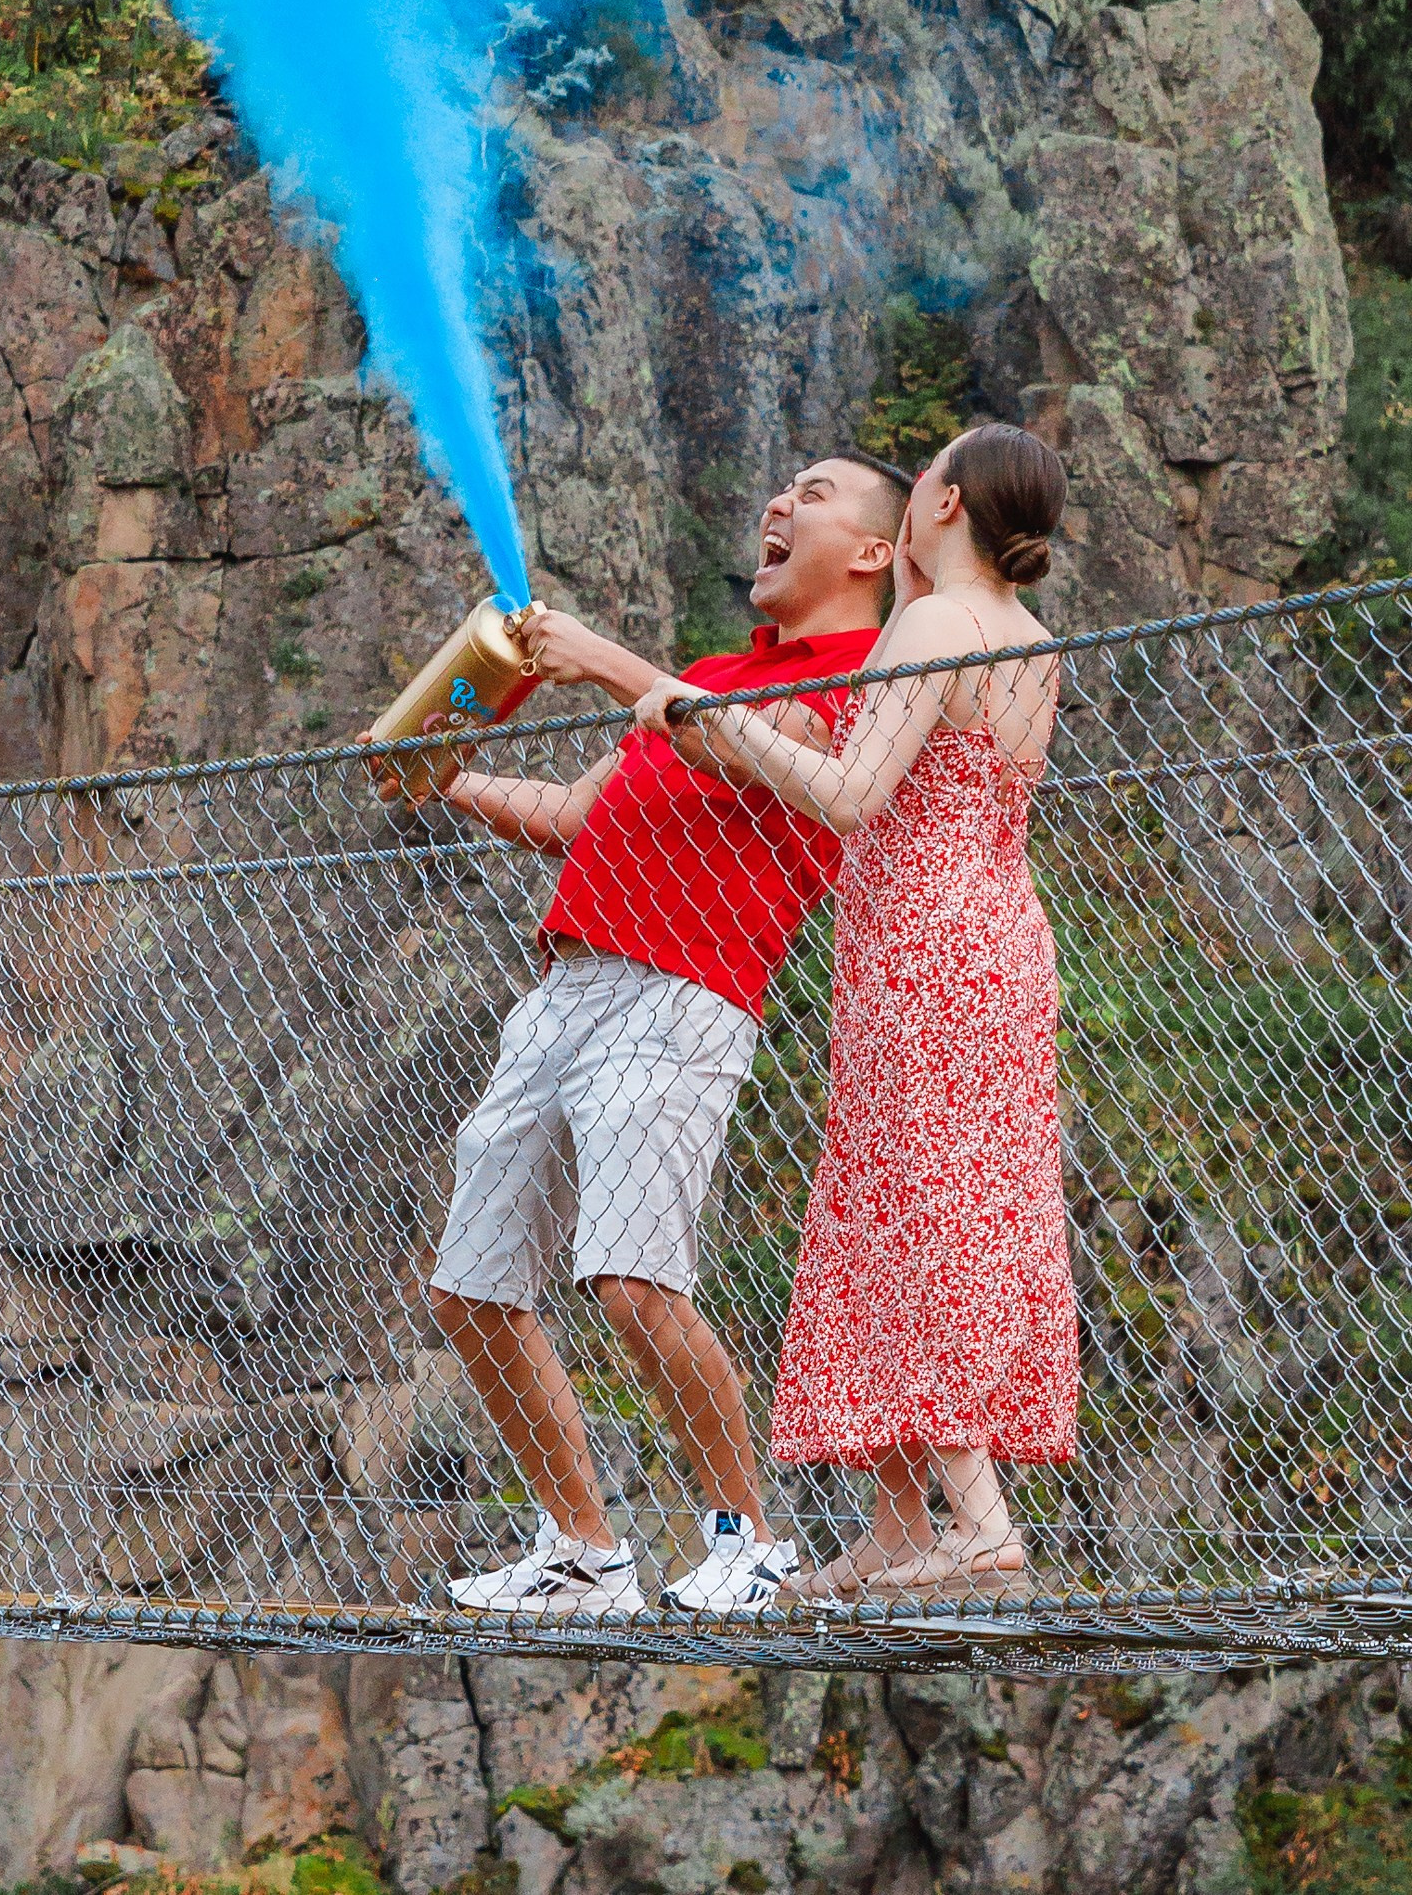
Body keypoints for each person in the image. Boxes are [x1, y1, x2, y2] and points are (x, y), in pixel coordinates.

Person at [371, 454, 912, 1622]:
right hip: (562, 985)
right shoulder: (706, 675)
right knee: (469, 1287)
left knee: (631, 1281)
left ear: (873, 551)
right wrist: (442, 775)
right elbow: (572, 815)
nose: (775, 503)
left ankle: (746, 1537)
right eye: (779, 490)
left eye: (811, 494)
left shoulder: (868, 670)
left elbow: (737, 747)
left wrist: (608, 660)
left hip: (683, 994)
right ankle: (580, 1549)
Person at [649, 422, 1078, 1601]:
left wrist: (702, 715)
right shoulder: (1029, 636)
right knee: (917, 1200)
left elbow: (845, 795)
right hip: (999, 937)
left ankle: (978, 1522)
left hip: (920, 948)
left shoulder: (931, 623)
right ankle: (897, 1525)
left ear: (941, 503)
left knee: (914, 1206)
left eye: (929, 469)